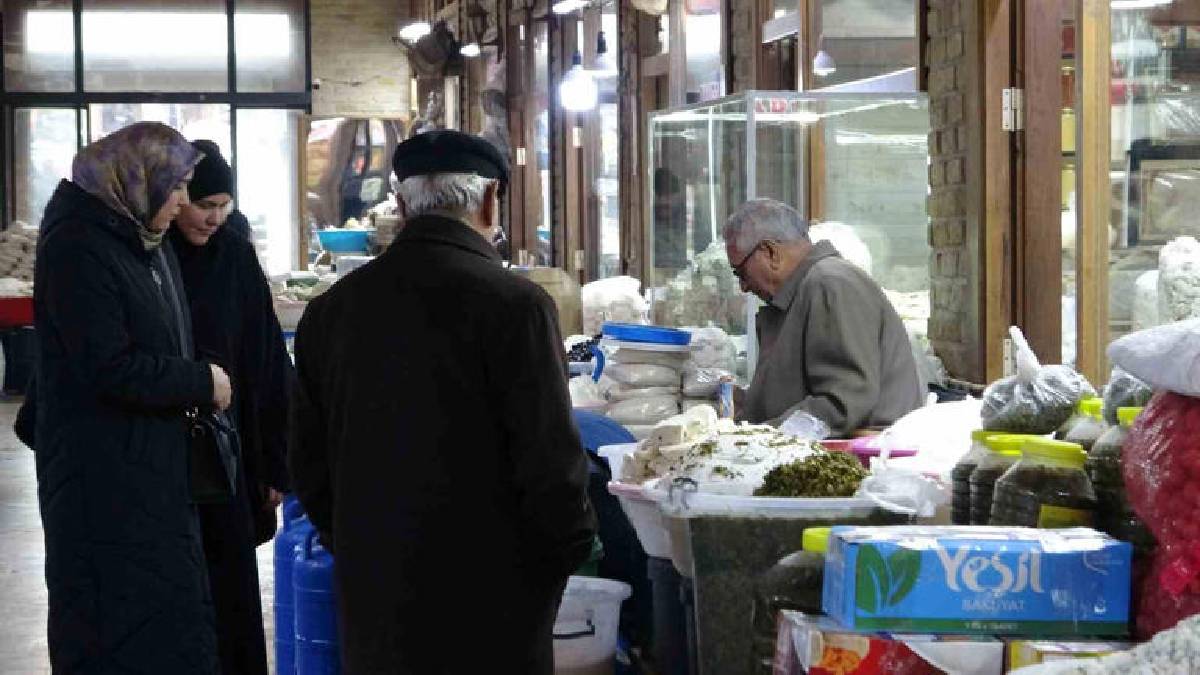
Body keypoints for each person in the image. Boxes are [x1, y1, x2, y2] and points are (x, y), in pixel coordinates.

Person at [289, 129, 596, 674]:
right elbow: (551, 463)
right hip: (497, 601)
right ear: (489, 199)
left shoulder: (331, 311)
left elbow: (308, 463)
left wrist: (363, 546)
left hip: (377, 600)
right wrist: (564, 554)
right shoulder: (517, 307)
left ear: (402, 204)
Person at [27, 121, 231, 672]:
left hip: (148, 466)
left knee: (164, 619)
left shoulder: (139, 238)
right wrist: (200, 382)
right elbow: (106, 365)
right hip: (102, 476)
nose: (184, 203)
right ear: (138, 180)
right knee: (110, 622)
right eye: (178, 187)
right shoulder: (78, 245)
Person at [169, 139, 293, 675]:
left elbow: (266, 360)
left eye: (224, 206)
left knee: (230, 580)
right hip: (169, 449)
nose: (214, 218)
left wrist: (274, 463)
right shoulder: (154, 258)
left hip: (231, 444)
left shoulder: (235, 257)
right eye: (203, 205)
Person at [725, 198, 923, 437]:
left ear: (770, 252)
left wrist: (762, 439)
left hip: (862, 458)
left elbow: (841, 402)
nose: (744, 286)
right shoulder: (805, 289)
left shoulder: (830, 283)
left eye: (741, 272)